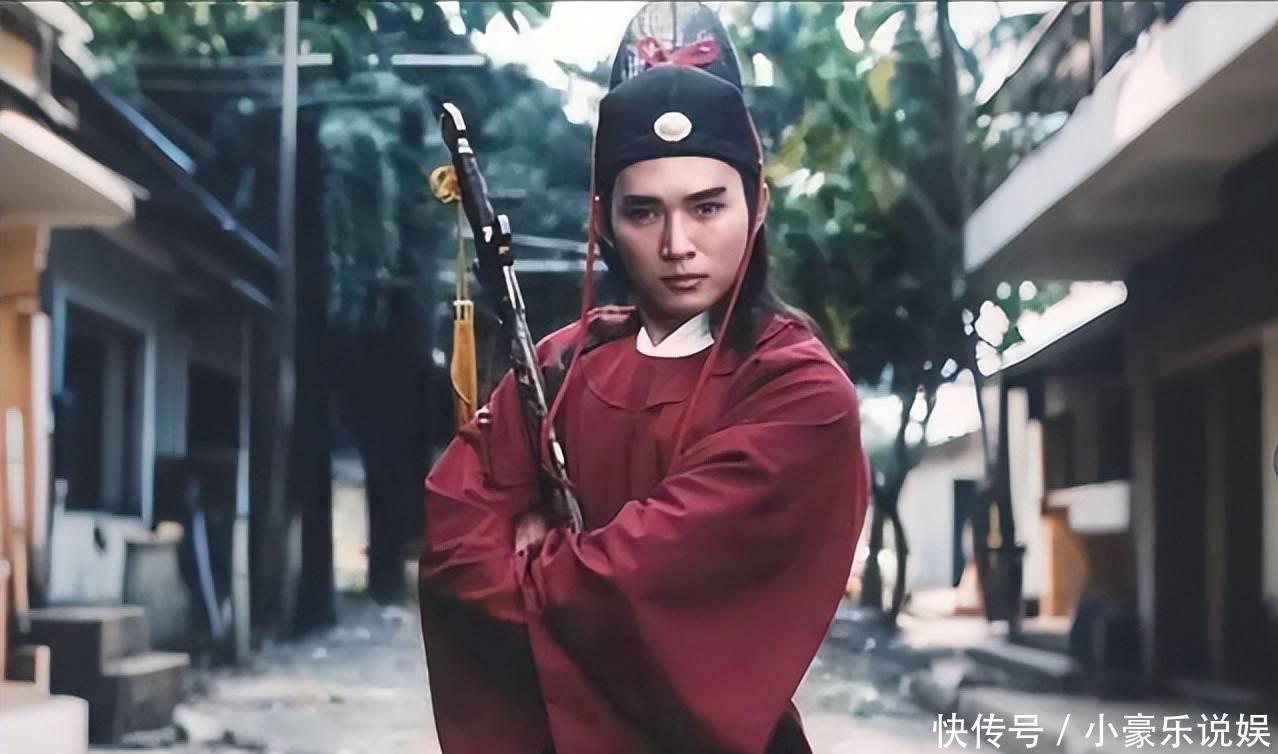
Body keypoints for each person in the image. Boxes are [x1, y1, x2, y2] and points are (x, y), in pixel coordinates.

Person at [418, 9, 869, 753]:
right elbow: (454, 547)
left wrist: (529, 557)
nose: (677, 244)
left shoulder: (797, 393)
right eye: (643, 212)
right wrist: (558, 573)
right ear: (603, 220)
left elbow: (638, 583)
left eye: (707, 207)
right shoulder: (561, 364)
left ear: (757, 205)